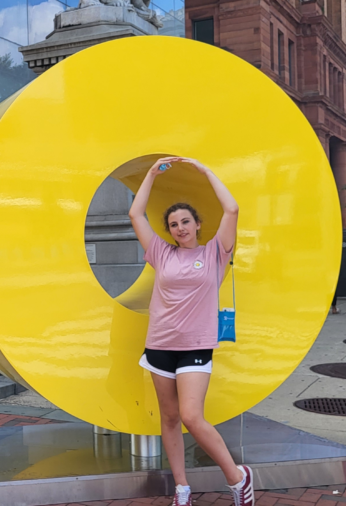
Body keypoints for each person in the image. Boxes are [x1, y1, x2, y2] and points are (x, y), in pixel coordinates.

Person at [128, 157, 253, 506]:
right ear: (168, 231)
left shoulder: (215, 252)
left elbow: (232, 209)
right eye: (173, 224)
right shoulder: (160, 253)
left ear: (198, 225)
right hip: (159, 346)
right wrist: (152, 174)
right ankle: (182, 487)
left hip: (196, 346)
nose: (180, 228)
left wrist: (207, 172)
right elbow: (136, 215)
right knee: (169, 418)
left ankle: (237, 478)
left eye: (186, 221)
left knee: (190, 416)